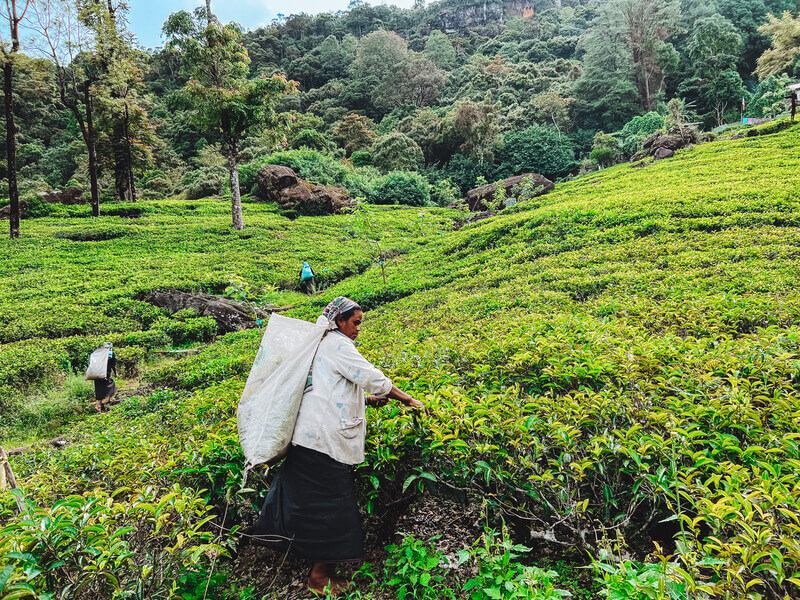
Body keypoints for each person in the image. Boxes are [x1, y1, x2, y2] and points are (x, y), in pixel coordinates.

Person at [255, 296, 424, 594]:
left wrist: (368, 401)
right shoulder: (338, 345)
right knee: (335, 510)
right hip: (323, 443)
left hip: (306, 440)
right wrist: (407, 399)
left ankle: (299, 558)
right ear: (340, 321)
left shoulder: (320, 344)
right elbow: (372, 377)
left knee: (303, 502)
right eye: (356, 323)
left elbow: (327, 388)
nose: (359, 329)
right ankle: (320, 578)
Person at [93, 342, 117, 413]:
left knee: (99, 389)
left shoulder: (99, 353)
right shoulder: (111, 354)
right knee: (110, 384)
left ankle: (99, 406)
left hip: (96, 374)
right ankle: (110, 398)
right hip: (105, 374)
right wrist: (116, 373)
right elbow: (113, 365)